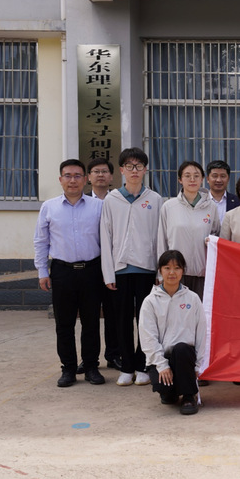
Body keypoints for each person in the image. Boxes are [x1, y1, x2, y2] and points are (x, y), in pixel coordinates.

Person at [34, 159, 105, 387]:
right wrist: (42, 271)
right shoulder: (49, 207)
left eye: (77, 176)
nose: (72, 180)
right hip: (62, 271)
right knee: (64, 324)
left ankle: (91, 367)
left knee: (91, 322)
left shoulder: (98, 206)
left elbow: (107, 240)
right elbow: (41, 241)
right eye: (68, 175)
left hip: (92, 270)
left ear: (85, 179)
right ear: (60, 179)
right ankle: (68, 369)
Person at [100, 147, 164, 387]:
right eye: (129, 166)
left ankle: (143, 365)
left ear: (145, 170)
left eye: (138, 166)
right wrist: (108, 273)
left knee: (146, 321)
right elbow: (105, 237)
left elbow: (160, 237)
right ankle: (126, 367)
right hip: (121, 270)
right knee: (122, 320)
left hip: (147, 269)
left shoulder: (154, 199)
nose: (134, 170)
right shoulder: (112, 199)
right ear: (122, 170)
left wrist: (159, 271)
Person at [138, 250, 206, 416]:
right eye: (167, 268)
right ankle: (171, 391)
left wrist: (198, 365)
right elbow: (148, 338)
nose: (172, 272)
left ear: (183, 271)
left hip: (184, 356)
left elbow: (201, 334)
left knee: (182, 349)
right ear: (160, 271)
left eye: (177, 268)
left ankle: (189, 396)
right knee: (167, 394)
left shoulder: (192, 298)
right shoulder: (150, 301)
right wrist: (162, 365)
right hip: (162, 358)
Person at [72, 158, 120, 375]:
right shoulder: (80, 202)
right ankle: (89, 359)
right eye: (96, 171)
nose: (100, 175)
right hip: (90, 267)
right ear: (88, 177)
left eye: (104, 171)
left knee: (114, 314)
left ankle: (114, 355)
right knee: (89, 316)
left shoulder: (118, 201)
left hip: (114, 266)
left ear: (111, 176)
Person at [157, 161, 221, 299]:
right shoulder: (169, 207)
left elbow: (217, 237)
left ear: (202, 179)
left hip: (202, 274)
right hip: (176, 274)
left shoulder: (211, 207)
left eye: (196, 176)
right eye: (187, 176)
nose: (192, 179)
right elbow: (162, 241)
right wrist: (161, 273)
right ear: (180, 180)